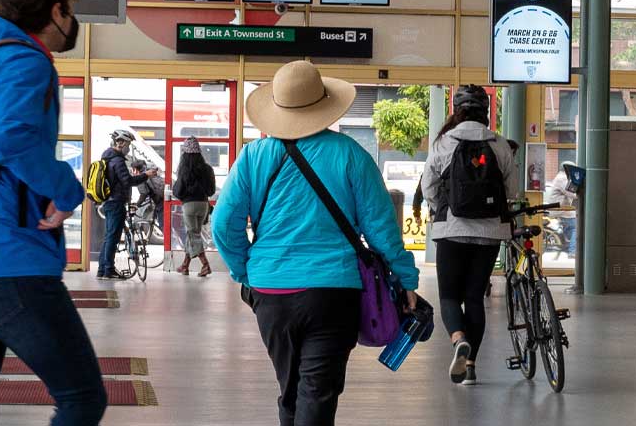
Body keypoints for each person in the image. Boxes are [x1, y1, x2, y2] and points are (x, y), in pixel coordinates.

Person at [213, 60, 419, 426]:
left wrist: (246, 271)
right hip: (333, 291)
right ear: (323, 105)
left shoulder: (253, 157)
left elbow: (223, 225)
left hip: (270, 292)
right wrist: (406, 280)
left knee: (290, 388)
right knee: (317, 393)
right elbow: (381, 229)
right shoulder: (351, 154)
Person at [0, 0, 107, 426]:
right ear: (57, 10)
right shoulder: (24, 61)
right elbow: (8, 136)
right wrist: (67, 191)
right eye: (71, 6)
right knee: (82, 397)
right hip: (12, 258)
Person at [422, 85, 520, 386]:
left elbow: (428, 187)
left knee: (450, 297)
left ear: (457, 110)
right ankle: (471, 367)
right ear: (486, 113)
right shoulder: (500, 144)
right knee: (474, 298)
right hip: (490, 233)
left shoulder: (444, 143)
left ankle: (458, 339)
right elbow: (513, 191)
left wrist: (444, 208)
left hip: (452, 231)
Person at [98, 130, 156, 280]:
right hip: (116, 203)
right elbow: (128, 181)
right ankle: (108, 270)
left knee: (108, 236)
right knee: (113, 237)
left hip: (109, 202)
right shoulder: (117, 161)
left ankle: (102, 270)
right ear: (120, 143)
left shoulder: (107, 158)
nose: (128, 148)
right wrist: (146, 175)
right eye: (128, 144)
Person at [172, 136, 218, 276]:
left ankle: (205, 265)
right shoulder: (207, 169)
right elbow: (211, 190)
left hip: (189, 205)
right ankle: (185, 265)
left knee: (194, 235)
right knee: (193, 234)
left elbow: (178, 191)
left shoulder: (184, 170)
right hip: (203, 205)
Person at [543, 165, 578, 258]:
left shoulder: (561, 177)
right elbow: (571, 193)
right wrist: (581, 193)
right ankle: (572, 251)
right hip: (561, 210)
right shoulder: (562, 178)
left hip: (562, 209)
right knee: (576, 228)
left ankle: (569, 244)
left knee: (571, 227)